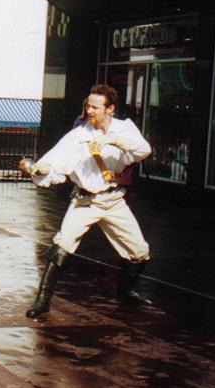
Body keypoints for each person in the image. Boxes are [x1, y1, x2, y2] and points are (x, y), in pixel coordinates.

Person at [22, 84, 152, 318]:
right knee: (62, 245)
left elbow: (144, 150)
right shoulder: (78, 136)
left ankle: (126, 291)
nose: (89, 110)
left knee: (139, 251)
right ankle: (42, 301)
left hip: (114, 200)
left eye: (95, 107)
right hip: (86, 201)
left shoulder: (124, 129)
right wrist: (41, 170)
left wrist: (112, 141)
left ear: (110, 109)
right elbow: (54, 164)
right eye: (87, 105)